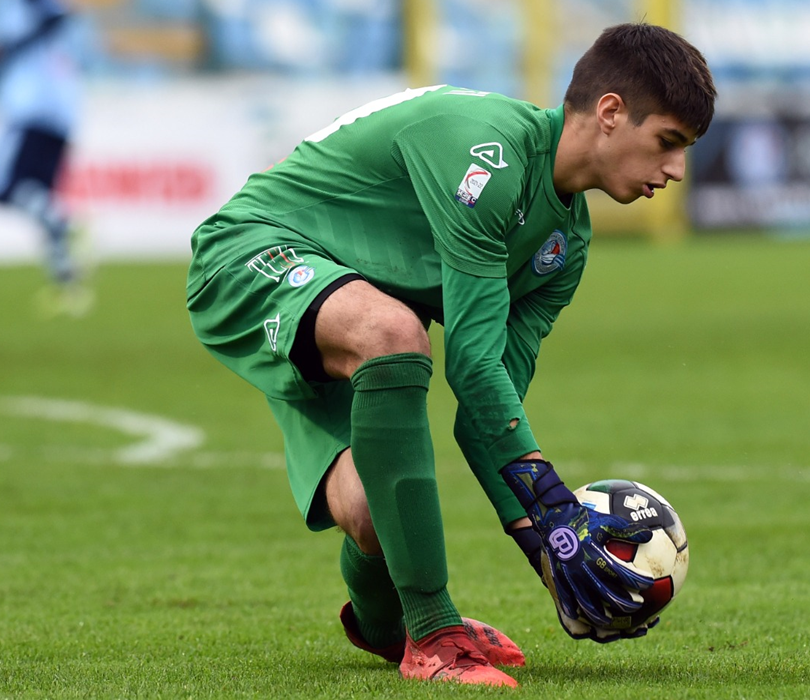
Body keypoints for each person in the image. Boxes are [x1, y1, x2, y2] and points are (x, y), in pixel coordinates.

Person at [186, 23, 715, 687]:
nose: (676, 170)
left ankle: (385, 626)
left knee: (379, 516)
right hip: (252, 253)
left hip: (344, 307)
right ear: (610, 112)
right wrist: (551, 501)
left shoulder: (565, 248)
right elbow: (469, 362)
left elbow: (488, 414)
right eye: (668, 142)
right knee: (393, 333)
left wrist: (548, 552)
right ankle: (434, 633)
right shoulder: (486, 155)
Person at [0, 0, 89, 316]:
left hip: (31, 106)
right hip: (59, 109)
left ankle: (62, 221)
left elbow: (55, 17)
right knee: (38, 197)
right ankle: (68, 288)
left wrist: (1, 52)